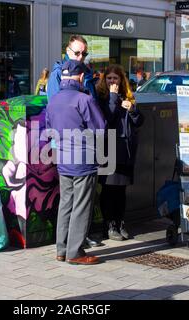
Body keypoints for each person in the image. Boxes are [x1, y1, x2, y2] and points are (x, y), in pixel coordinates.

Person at [45, 60, 106, 265]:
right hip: (83, 159)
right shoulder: (84, 99)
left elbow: (49, 130)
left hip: (63, 159)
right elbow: (100, 127)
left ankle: (61, 249)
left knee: (66, 204)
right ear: (80, 77)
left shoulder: (53, 100)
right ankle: (76, 253)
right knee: (81, 206)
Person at [95, 64, 143, 241]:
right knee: (108, 190)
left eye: (115, 78)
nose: (112, 81)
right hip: (108, 149)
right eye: (109, 78)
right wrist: (113, 98)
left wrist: (133, 109)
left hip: (125, 149)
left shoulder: (128, 97)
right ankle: (109, 225)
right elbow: (107, 118)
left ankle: (120, 221)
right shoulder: (101, 97)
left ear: (121, 80)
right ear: (104, 80)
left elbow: (139, 122)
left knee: (121, 190)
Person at [46, 35, 96, 102]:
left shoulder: (87, 73)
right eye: (77, 53)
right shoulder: (57, 73)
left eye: (84, 54)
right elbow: (55, 106)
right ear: (68, 50)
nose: (81, 56)